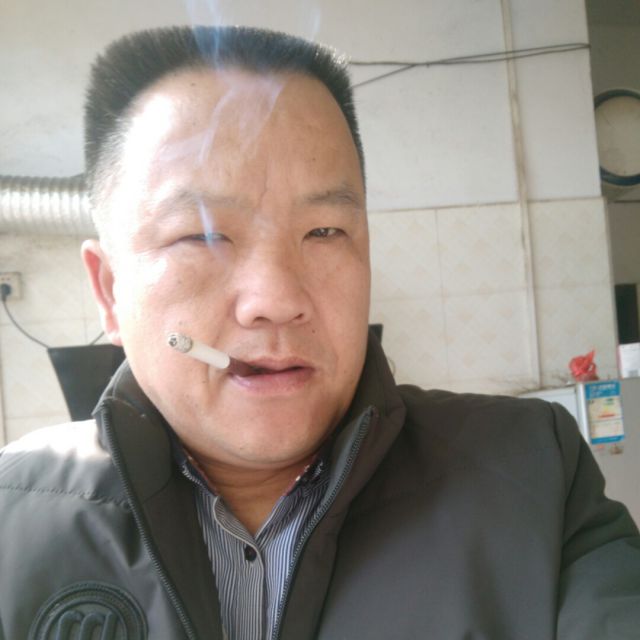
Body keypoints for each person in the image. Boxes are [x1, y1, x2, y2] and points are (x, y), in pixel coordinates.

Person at [1, 26, 639, 640]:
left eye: (325, 231)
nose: (277, 301)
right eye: (200, 235)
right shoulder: (14, 516)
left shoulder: (532, 474)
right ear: (109, 290)